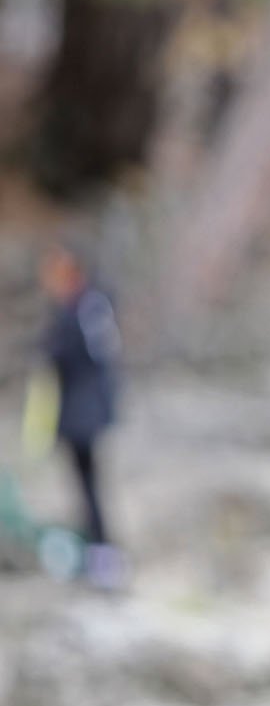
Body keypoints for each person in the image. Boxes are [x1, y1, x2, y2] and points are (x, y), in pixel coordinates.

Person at [39, 239, 125, 590]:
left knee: (91, 486)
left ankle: (103, 558)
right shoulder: (71, 309)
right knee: (82, 485)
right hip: (74, 413)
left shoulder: (88, 308)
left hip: (84, 415)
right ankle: (96, 553)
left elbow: (97, 359)